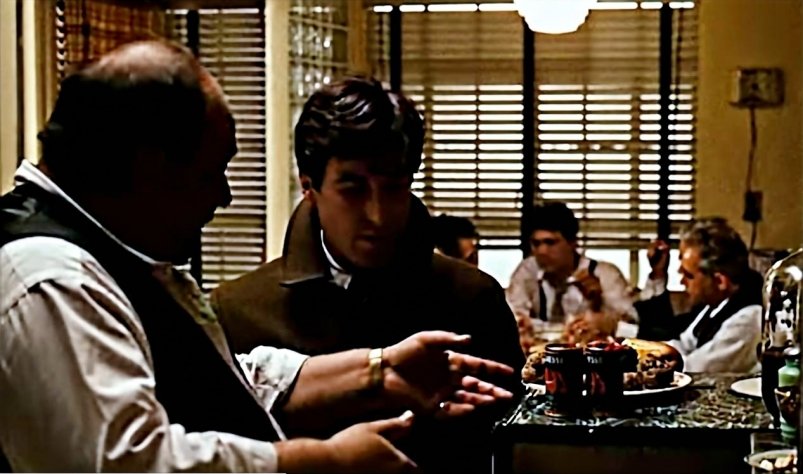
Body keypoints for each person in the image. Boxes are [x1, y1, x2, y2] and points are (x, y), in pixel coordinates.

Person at [0, 40, 516, 473]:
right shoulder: (52, 279)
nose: (224, 196)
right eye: (211, 173)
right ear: (150, 169)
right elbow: (127, 465)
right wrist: (323, 461)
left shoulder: (94, 260)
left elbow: (219, 382)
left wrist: (376, 370)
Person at [210, 76, 524, 473]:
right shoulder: (238, 311)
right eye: (353, 188)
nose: (377, 215)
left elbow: (511, 449)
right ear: (309, 187)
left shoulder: (473, 299)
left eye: (394, 188)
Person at [622, 218, 763, 372]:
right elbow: (682, 344)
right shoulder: (714, 305)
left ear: (720, 281)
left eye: (689, 275)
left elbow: (696, 367)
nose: (682, 281)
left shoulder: (748, 319)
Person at [506, 202, 638, 349]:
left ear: (572, 243)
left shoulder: (605, 274)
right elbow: (513, 315)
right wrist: (520, 325)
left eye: (550, 243)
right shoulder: (527, 272)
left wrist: (607, 321)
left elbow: (633, 328)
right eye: (536, 244)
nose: (542, 251)